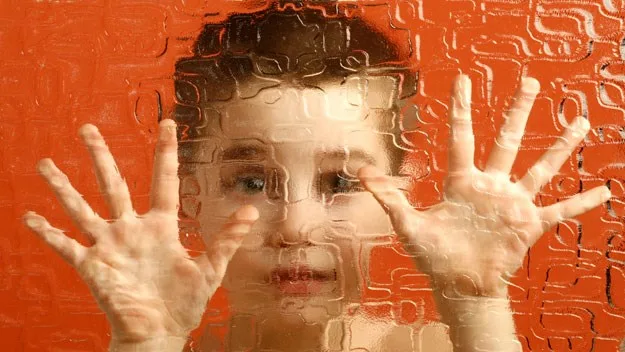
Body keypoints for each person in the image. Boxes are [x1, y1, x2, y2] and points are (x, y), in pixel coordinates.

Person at [21, 4, 610, 352]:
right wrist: (146, 344)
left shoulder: (443, 344)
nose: (297, 227)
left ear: (399, 194)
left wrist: (477, 304)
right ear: (187, 195)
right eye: (251, 181)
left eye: (341, 183)